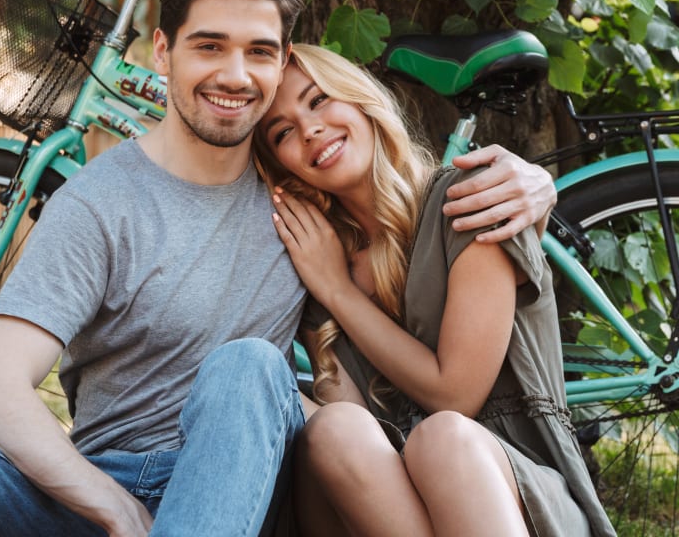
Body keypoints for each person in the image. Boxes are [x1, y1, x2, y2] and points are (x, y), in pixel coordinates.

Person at [0, 0, 555, 537]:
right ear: (164, 52)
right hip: (92, 500)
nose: (235, 75)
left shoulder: (306, 207)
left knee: (251, 364)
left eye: (258, 52)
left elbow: (405, 218)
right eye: (209, 47)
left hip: (233, 487)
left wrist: (531, 185)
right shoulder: (99, 202)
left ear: (281, 60)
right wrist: (114, 508)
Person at [253, 43, 615, 537]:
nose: (309, 129)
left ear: (359, 98)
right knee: (332, 430)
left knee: (442, 437)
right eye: (283, 132)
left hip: (526, 496)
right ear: (283, 168)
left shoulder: (468, 199)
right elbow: (354, 452)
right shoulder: (319, 266)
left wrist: (341, 292)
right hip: (405, 513)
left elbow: (456, 395)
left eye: (318, 100)